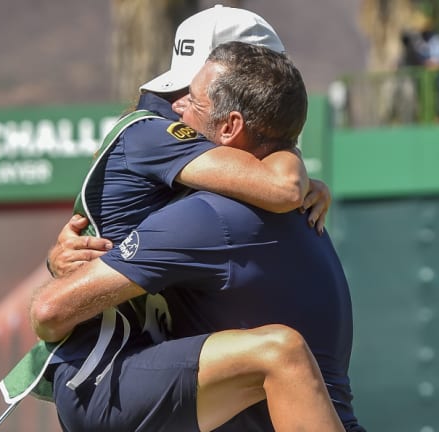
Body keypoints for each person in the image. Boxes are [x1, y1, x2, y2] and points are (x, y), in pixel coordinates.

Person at [31, 42, 363, 431]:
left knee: (280, 352)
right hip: (106, 389)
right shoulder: (292, 206)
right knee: (278, 351)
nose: (176, 108)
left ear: (230, 127)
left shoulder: (211, 217)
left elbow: (48, 311)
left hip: (110, 390)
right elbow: (284, 182)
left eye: (191, 99)